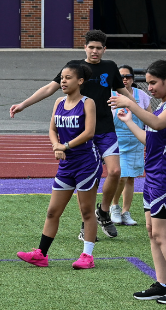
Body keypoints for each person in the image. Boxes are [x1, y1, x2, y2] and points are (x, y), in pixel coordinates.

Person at [10, 29, 134, 239]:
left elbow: (124, 93)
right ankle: (87, 223)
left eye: (99, 48)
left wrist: (137, 108)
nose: (95, 51)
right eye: (91, 47)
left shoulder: (110, 67)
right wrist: (23, 104)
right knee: (86, 178)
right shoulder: (75, 68)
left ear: (105, 49)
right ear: (84, 47)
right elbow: (50, 88)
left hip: (104, 130)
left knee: (115, 172)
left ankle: (102, 212)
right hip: (79, 132)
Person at [109, 60, 166, 304]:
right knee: (151, 232)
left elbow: (157, 124)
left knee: (162, 234)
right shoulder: (162, 106)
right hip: (154, 175)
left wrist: (129, 103)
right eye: (147, 83)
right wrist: (128, 120)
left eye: (153, 82)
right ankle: (162, 283)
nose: (149, 87)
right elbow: (150, 139)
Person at [17, 61, 101, 270]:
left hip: (86, 163)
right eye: (62, 78)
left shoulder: (87, 103)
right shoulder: (59, 102)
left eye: (68, 77)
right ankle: (41, 254)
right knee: (53, 211)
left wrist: (65, 145)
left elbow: (89, 132)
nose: (63, 81)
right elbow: (52, 129)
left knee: (87, 211)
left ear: (80, 81)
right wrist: (56, 145)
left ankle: (87, 256)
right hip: (66, 165)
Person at [110, 65, 152, 226]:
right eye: (121, 76)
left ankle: (125, 212)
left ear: (133, 78)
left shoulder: (141, 95)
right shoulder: (111, 95)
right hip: (117, 140)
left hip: (136, 140)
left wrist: (150, 136)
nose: (125, 79)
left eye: (128, 76)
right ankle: (114, 206)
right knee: (121, 176)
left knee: (130, 178)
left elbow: (148, 116)